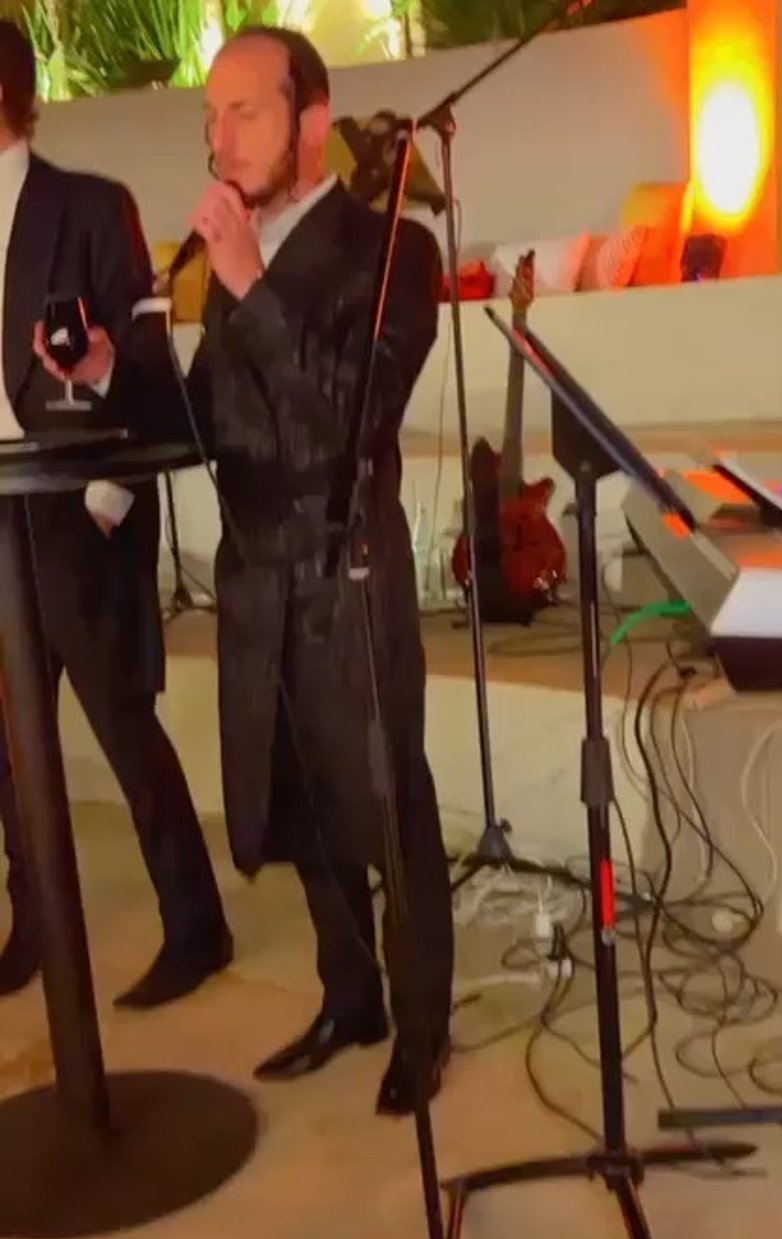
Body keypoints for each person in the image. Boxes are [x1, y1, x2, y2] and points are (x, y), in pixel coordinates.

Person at [38, 26, 455, 1115]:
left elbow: (349, 419)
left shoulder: (393, 250)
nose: (219, 140)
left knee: (385, 803)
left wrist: (249, 281)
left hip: (344, 568)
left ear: (313, 120)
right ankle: (349, 997)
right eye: (210, 118)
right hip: (255, 574)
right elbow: (203, 420)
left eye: (245, 113)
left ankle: (421, 1025)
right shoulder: (235, 268)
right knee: (298, 802)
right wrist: (106, 376)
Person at [0, 19, 231, 1008]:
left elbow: (140, 369)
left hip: (69, 508)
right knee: (9, 746)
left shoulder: (90, 208)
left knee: (122, 729)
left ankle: (196, 925)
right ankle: (37, 922)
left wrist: (106, 499)